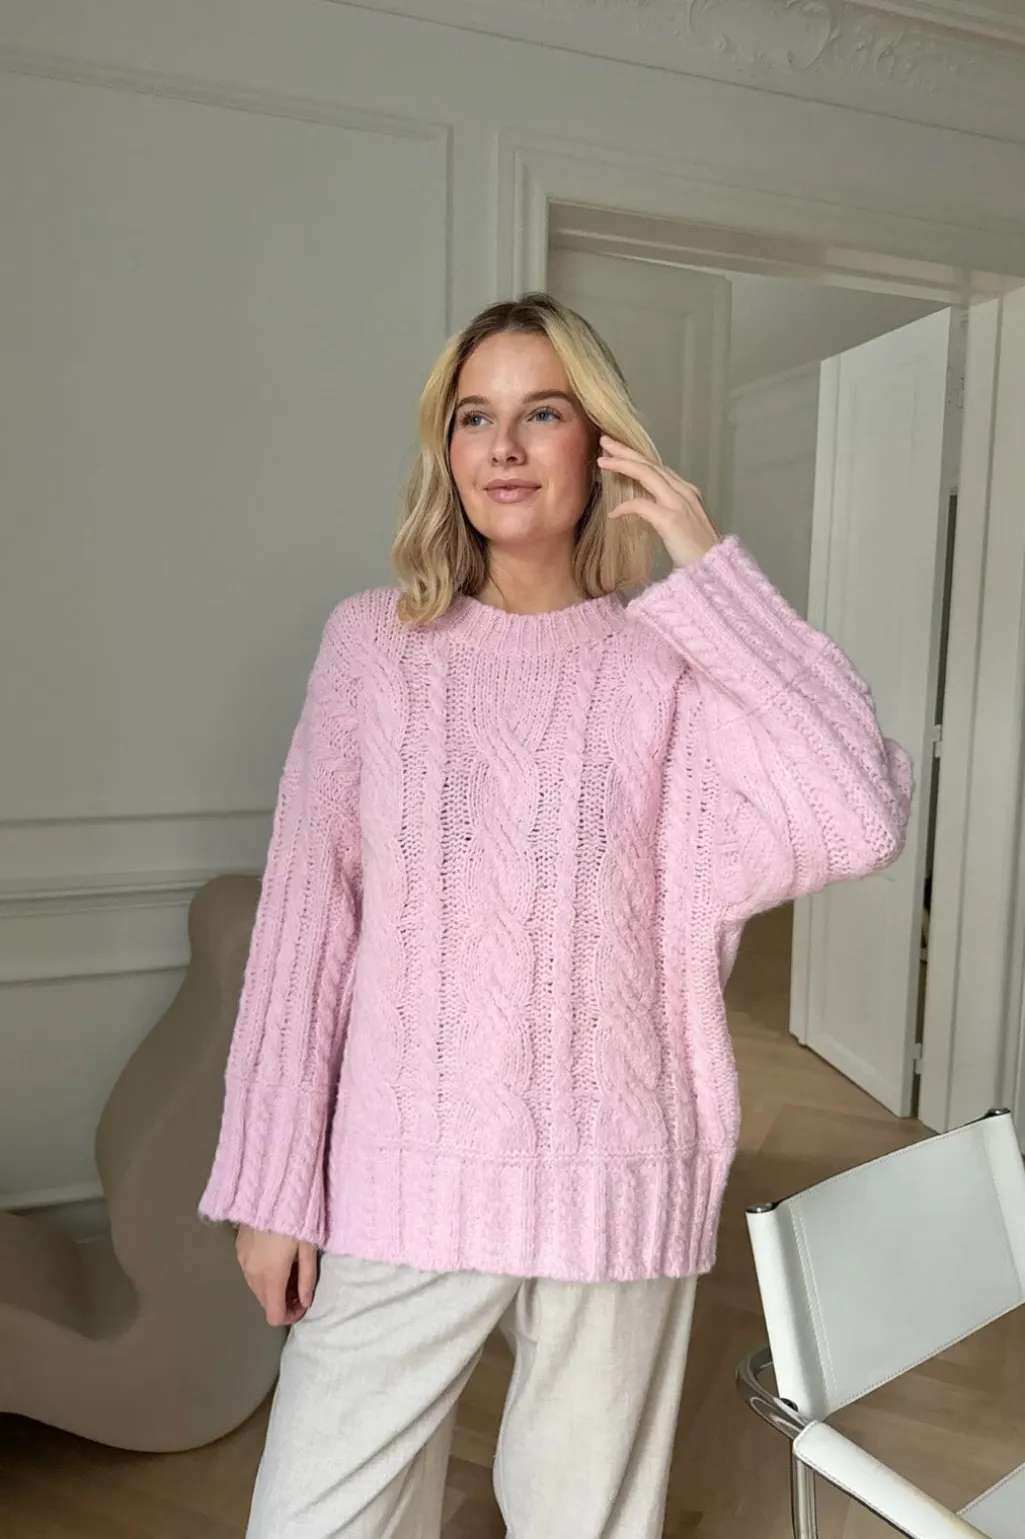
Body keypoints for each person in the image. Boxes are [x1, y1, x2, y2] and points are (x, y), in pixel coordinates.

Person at [201, 292, 911, 1538]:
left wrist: (707, 566)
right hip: (402, 1176)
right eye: (473, 417)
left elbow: (857, 814)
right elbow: (309, 924)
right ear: (445, 448)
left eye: (541, 413)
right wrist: (273, 1185)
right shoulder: (373, 647)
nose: (504, 447)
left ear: (600, 444)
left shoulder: (669, 667)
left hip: (612, 1179)